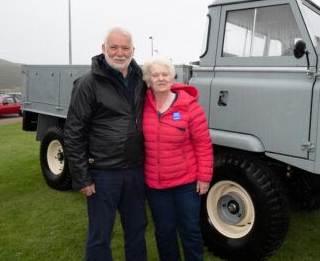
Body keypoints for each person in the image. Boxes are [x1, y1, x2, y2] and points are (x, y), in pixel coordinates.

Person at [64, 27, 147, 261]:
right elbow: (73, 132)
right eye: (114, 47)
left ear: (132, 50)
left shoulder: (141, 78)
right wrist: (82, 177)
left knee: (137, 230)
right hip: (103, 174)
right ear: (104, 49)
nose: (119, 53)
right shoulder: (87, 83)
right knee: (100, 234)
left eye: (125, 47)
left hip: (135, 171)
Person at [141, 56, 213, 261]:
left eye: (165, 74)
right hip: (156, 185)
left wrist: (204, 177)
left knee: (189, 230)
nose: (161, 78)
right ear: (148, 79)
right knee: (164, 232)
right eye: (155, 75)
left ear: (172, 78)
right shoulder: (142, 106)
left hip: (186, 184)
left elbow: (203, 144)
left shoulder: (190, 107)